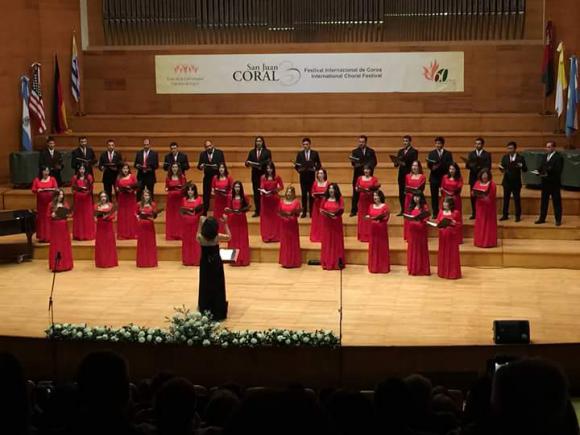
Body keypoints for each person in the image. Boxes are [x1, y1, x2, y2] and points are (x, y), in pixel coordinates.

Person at [197, 216, 231, 321]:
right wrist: (225, 223)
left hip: (205, 264)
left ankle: (205, 308)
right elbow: (229, 237)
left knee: (205, 284)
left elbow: (197, 234)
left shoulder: (201, 238)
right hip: (216, 263)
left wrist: (200, 223)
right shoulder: (217, 237)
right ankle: (218, 309)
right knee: (217, 284)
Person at [534, 140, 563, 226]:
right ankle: (542, 218)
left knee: (556, 202)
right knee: (544, 202)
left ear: (554, 147)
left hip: (554, 183)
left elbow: (558, 170)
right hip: (545, 183)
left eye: (549, 147)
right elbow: (541, 166)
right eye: (547, 147)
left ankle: (558, 220)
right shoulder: (545, 156)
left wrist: (547, 172)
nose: (548, 148)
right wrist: (537, 171)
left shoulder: (558, 157)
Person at [499, 141, 528, 222]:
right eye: (508, 148)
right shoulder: (505, 157)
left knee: (517, 199)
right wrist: (501, 168)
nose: (509, 150)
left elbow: (525, 169)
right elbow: (502, 167)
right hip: (506, 181)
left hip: (516, 182)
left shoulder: (520, 158)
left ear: (515, 149)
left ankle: (517, 216)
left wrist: (522, 166)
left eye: (511, 148)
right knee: (506, 199)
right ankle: (505, 215)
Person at [349, 135, 377, 216]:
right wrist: (355, 162)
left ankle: (370, 209)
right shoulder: (355, 151)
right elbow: (353, 163)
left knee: (369, 193)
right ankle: (354, 210)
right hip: (358, 175)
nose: (361, 143)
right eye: (360, 142)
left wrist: (367, 167)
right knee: (355, 193)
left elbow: (374, 162)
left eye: (362, 142)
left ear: (366, 142)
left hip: (368, 176)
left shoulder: (371, 151)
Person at [225, 181, 251, 267]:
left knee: (242, 238)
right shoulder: (230, 197)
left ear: (241, 188)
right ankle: (234, 259)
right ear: (233, 188)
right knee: (234, 238)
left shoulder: (244, 197)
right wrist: (228, 210)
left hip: (241, 219)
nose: (237, 189)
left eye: (238, 187)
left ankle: (243, 259)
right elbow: (228, 208)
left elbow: (247, 207)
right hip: (233, 219)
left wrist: (243, 210)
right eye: (236, 187)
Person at [294, 137, 321, 218]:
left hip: (311, 177)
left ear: (310, 144)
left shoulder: (314, 153)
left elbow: (319, 164)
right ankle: (304, 212)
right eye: (304, 144)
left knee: (311, 195)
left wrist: (315, 168)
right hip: (303, 177)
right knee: (304, 195)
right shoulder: (300, 154)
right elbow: (297, 166)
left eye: (307, 144)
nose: (305, 146)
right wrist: (299, 170)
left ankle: (312, 212)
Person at [465, 137, 492, 219]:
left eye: (479, 144)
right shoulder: (471, 154)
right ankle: (474, 213)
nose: (477, 145)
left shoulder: (487, 154)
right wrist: (471, 165)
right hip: (473, 178)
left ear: (482, 145)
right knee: (473, 196)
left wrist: (480, 167)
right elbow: (467, 166)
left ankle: (482, 213)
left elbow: (488, 166)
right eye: (476, 143)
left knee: (482, 196)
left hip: (482, 179)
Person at [320, 183, 346, 270]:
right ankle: (327, 262)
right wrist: (326, 213)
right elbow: (321, 209)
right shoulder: (325, 199)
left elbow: (341, 209)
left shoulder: (340, 199)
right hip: (327, 224)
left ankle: (336, 262)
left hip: (336, 223)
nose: (331, 190)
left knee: (336, 241)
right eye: (330, 188)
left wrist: (335, 214)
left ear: (336, 190)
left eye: (333, 188)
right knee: (327, 241)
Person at [427, 136, 453, 218]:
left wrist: (440, 166)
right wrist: (432, 167)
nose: (438, 145)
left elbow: (450, 165)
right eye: (436, 143)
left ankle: (445, 212)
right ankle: (435, 213)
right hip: (434, 178)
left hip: (444, 178)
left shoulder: (448, 154)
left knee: (445, 196)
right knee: (434, 196)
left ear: (443, 144)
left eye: (439, 143)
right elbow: (429, 165)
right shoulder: (431, 153)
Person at [245, 136, 271, 217]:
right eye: (257, 141)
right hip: (255, 175)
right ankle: (258, 211)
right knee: (256, 193)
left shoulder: (267, 152)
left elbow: (269, 162)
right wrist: (247, 163)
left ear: (262, 142)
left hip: (264, 175)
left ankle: (266, 210)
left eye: (260, 141)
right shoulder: (252, 152)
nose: (258, 143)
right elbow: (247, 162)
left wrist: (261, 165)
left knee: (265, 193)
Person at [197, 140, 226, 216]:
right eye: (207, 147)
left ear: (212, 145)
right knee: (206, 195)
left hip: (217, 177)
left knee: (219, 194)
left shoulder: (219, 153)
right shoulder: (202, 154)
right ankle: (205, 211)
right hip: (207, 178)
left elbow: (223, 164)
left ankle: (220, 211)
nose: (209, 148)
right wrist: (201, 166)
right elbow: (199, 166)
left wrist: (218, 167)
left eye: (210, 146)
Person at [435, 197, 461, 279]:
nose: (445, 204)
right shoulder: (440, 212)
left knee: (452, 254)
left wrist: (454, 223)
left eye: (446, 202)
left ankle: (452, 273)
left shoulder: (456, 213)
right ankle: (443, 272)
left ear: (450, 204)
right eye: (444, 202)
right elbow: (438, 222)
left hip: (452, 237)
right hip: (443, 237)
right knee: (443, 253)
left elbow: (459, 225)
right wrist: (439, 225)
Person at [405, 193, 430, 276]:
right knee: (413, 248)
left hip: (421, 231)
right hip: (413, 231)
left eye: (418, 196)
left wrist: (421, 221)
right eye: (415, 196)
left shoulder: (424, 207)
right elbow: (408, 218)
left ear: (421, 197)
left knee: (420, 249)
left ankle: (422, 269)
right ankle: (413, 268)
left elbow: (426, 218)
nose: (416, 198)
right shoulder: (411, 207)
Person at [48, 189, 73, 272]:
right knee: (56, 245)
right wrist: (52, 215)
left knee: (64, 244)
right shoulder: (51, 204)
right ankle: (57, 266)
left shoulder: (65, 204)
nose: (61, 196)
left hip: (63, 227)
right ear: (55, 196)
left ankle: (66, 265)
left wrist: (68, 214)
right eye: (59, 195)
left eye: (62, 195)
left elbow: (69, 213)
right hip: (55, 227)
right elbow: (47, 215)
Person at [366, 190, 390, 273]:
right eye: (374, 196)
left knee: (381, 247)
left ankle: (382, 267)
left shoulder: (385, 206)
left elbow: (386, 218)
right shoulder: (371, 206)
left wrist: (379, 218)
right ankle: (374, 267)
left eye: (377, 196)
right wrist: (368, 217)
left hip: (381, 230)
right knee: (374, 247)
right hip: (373, 230)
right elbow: (370, 215)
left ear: (380, 197)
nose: (375, 197)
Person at [472, 168, 497, 248]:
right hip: (480, 207)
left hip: (489, 208)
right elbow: (473, 193)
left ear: (488, 176)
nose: (484, 176)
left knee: (488, 225)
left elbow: (492, 196)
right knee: (480, 223)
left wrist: (486, 197)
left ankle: (488, 242)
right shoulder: (477, 183)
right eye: (483, 175)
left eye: (486, 175)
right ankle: (479, 241)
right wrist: (474, 193)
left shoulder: (492, 184)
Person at [32, 166, 58, 242]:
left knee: (49, 218)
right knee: (42, 219)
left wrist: (53, 189)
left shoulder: (52, 179)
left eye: (47, 171)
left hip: (50, 204)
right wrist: (38, 190)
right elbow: (33, 189)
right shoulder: (37, 180)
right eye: (45, 171)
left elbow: (56, 188)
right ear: (41, 171)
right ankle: (42, 236)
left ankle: (51, 236)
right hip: (41, 204)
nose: (46, 173)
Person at [278, 186, 302, 268]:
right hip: (284, 225)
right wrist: (283, 215)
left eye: (290, 192)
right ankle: (285, 261)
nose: (288, 193)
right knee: (285, 242)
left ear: (293, 193)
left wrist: (294, 213)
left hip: (292, 225)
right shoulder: (281, 201)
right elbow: (279, 211)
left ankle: (293, 261)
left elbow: (298, 213)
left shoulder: (296, 202)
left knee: (292, 242)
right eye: (287, 192)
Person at [394, 135, 418, 215]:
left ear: (410, 142)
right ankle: (402, 209)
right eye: (404, 141)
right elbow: (396, 164)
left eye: (406, 141)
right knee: (401, 193)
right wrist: (396, 162)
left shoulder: (414, 151)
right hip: (401, 175)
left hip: (409, 174)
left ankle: (410, 209)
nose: (405, 142)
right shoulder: (400, 151)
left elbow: (414, 163)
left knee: (409, 193)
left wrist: (405, 163)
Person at [259, 162, 283, 242]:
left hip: (274, 200)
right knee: (266, 219)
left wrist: (277, 189)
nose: (269, 170)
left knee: (275, 219)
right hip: (266, 201)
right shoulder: (263, 177)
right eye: (268, 168)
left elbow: (281, 187)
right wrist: (262, 191)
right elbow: (262, 187)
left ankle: (276, 236)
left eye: (270, 168)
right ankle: (267, 236)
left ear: (273, 169)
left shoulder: (277, 177)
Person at [440, 162, 464, 243]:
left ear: (456, 170)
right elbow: (442, 187)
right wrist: (445, 193)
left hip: (455, 200)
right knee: (445, 216)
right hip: (445, 199)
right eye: (450, 169)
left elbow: (458, 189)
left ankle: (456, 238)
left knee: (455, 217)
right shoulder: (444, 177)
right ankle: (445, 236)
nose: (451, 170)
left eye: (453, 169)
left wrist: (451, 194)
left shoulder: (459, 178)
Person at [180, 183, 203, 266]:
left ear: (194, 191)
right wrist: (186, 213)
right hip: (186, 223)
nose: (190, 192)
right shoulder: (184, 199)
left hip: (195, 223)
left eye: (192, 190)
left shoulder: (199, 199)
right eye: (188, 190)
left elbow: (201, 211)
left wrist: (195, 213)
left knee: (195, 241)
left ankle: (196, 260)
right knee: (187, 241)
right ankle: (187, 260)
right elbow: (181, 211)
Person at [71, 165, 95, 241]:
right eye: (80, 169)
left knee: (87, 215)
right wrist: (77, 192)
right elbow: (73, 189)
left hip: (87, 199)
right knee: (79, 216)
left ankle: (88, 234)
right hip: (78, 199)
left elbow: (91, 188)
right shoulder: (75, 177)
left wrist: (86, 192)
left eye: (83, 169)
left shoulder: (89, 177)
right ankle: (79, 235)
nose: (82, 170)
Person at [94, 191, 118, 268]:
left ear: (106, 197)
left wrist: (107, 217)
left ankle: (110, 262)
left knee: (109, 244)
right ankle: (101, 262)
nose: (103, 198)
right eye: (101, 197)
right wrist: (98, 217)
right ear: (99, 198)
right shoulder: (96, 206)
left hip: (108, 226)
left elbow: (114, 216)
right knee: (101, 244)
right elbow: (94, 217)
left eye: (104, 196)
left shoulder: (110, 205)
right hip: (100, 227)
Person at [403, 161, 426, 241]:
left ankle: (417, 235)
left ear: (419, 167)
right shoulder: (407, 176)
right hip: (408, 198)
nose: (414, 167)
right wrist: (406, 190)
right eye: (413, 165)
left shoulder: (422, 177)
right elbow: (406, 187)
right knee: (409, 215)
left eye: (416, 166)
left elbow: (422, 189)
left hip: (417, 199)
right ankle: (408, 236)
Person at [135, 188, 158, 267]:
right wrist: (138, 217)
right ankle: (142, 262)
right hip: (142, 226)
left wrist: (153, 216)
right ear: (142, 196)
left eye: (147, 195)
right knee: (142, 243)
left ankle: (151, 262)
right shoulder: (139, 204)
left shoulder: (153, 204)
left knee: (150, 243)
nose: (146, 197)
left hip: (150, 226)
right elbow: (136, 213)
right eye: (145, 195)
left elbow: (154, 215)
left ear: (150, 196)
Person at [115, 163, 138, 240]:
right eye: (124, 169)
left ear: (128, 169)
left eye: (127, 168)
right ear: (121, 169)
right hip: (122, 198)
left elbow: (136, 187)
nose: (125, 170)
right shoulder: (119, 177)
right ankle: (123, 233)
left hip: (130, 198)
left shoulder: (132, 177)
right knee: (123, 215)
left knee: (131, 214)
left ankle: (132, 233)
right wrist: (119, 189)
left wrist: (132, 189)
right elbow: (117, 188)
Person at [165, 162, 187, 240]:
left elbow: (184, 189)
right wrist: (168, 189)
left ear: (178, 168)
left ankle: (179, 234)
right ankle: (171, 234)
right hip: (171, 200)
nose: (174, 169)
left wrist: (181, 189)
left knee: (179, 216)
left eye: (176, 167)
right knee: (171, 217)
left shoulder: (182, 177)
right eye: (173, 167)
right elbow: (166, 188)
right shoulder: (168, 177)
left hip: (179, 200)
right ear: (171, 168)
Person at [211, 162, 234, 232]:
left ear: (225, 169)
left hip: (226, 201)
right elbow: (212, 190)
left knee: (226, 217)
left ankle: (226, 232)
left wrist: (226, 194)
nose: (221, 169)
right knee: (217, 218)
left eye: (222, 167)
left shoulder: (229, 178)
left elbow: (232, 190)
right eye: (220, 168)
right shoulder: (215, 178)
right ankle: (218, 232)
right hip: (218, 201)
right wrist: (214, 192)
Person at [310, 168, 329, 243]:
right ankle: (316, 236)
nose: (320, 175)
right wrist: (314, 195)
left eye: (321, 173)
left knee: (323, 220)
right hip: (317, 204)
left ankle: (323, 236)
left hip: (324, 205)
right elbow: (312, 193)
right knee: (317, 220)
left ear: (324, 174)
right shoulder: (315, 183)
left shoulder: (328, 183)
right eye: (318, 173)